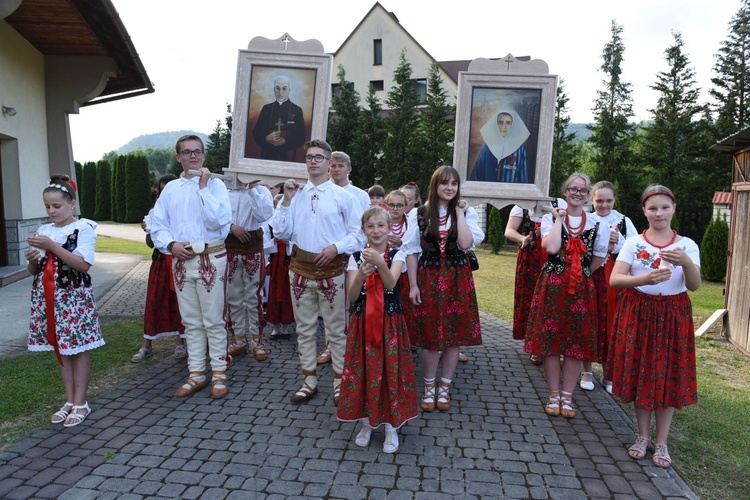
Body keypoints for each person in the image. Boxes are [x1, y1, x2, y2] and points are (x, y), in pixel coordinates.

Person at [609, 184, 700, 469]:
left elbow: (695, 285)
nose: (658, 213)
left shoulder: (687, 245)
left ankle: (662, 442)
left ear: (673, 209)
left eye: (664, 207)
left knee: (668, 375)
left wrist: (686, 262)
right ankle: (643, 436)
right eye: (652, 208)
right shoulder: (634, 242)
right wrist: (644, 279)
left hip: (673, 316)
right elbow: (615, 279)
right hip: (639, 313)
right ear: (644, 211)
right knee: (642, 373)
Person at [270, 139, 364, 405]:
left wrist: (336, 247)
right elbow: (280, 232)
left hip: (332, 270)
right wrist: (285, 201)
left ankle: (339, 382)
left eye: (319, 157)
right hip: (299, 268)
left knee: (335, 330)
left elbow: (358, 234)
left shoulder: (344, 196)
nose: (313, 161)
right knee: (305, 329)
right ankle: (309, 380)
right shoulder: (295, 195)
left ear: (329, 163)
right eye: (309, 157)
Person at [151, 134, 233, 399]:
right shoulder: (171, 189)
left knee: (213, 320)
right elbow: (158, 224)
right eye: (187, 152)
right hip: (180, 259)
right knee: (190, 321)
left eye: (198, 151)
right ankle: (196, 372)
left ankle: (219, 372)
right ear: (178, 157)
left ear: (204, 156)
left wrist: (203, 187)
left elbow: (217, 222)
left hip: (212, 256)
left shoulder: (217, 187)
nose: (193, 156)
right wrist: (170, 243)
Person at [524, 173, 609, 418]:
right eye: (573, 189)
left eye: (583, 190)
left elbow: (599, 257)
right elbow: (550, 248)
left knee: (575, 344)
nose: (577, 193)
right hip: (552, 285)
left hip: (581, 288)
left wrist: (580, 273)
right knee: (551, 343)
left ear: (588, 195)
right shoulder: (552, 219)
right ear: (565, 192)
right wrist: (559, 220)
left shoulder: (596, 224)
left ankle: (568, 397)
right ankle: (553, 394)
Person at [337, 206, 418, 453]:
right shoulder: (355, 257)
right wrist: (361, 274)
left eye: (381, 226)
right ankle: (366, 423)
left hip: (389, 324)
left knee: (389, 370)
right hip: (363, 324)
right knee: (363, 370)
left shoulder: (398, 254)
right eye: (370, 226)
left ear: (389, 228)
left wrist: (380, 264)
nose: (376, 231)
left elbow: (391, 283)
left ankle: (392, 427)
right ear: (363, 230)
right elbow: (351, 296)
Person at [404, 166, 484, 412]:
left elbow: (465, 243)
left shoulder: (467, 213)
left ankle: (444, 389)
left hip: (457, 281)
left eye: (454, 184)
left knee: (453, 337)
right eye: (444, 183)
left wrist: (459, 213)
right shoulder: (419, 214)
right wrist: (414, 285)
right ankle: (429, 388)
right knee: (430, 339)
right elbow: (411, 252)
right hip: (428, 279)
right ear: (435, 185)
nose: (449, 188)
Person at [26, 175, 104, 427]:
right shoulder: (44, 231)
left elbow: (83, 265)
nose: (51, 211)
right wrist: (32, 260)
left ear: (72, 203)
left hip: (72, 299)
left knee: (78, 348)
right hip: (48, 298)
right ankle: (69, 400)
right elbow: (34, 270)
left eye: (56, 206)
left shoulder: (83, 229)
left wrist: (52, 246)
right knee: (60, 347)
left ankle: (81, 402)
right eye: (47, 206)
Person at [580, 181, 638, 392]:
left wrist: (617, 241)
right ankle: (586, 369)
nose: (604, 205)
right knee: (589, 319)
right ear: (591, 200)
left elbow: (635, 249)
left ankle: (609, 371)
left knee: (612, 322)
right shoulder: (585, 219)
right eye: (599, 200)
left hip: (614, 277)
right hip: (591, 275)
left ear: (614, 200)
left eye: (608, 201)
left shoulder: (622, 221)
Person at [317, 151, 371, 365]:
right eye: (334, 165)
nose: (337, 169)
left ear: (349, 169)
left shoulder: (359, 195)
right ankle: (331, 345)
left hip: (351, 255)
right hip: (328, 255)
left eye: (341, 166)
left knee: (351, 302)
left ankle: (352, 345)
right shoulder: (321, 192)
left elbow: (363, 227)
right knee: (331, 303)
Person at [132, 174, 186, 363]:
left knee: (180, 303)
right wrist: (147, 231)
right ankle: (147, 345)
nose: (165, 193)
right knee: (154, 302)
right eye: (162, 190)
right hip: (160, 261)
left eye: (168, 189)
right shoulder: (154, 211)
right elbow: (150, 244)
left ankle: (181, 341)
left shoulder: (183, 210)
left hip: (180, 260)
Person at [224, 180, 275, 361]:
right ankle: (238, 339)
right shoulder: (223, 189)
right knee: (233, 296)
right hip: (229, 245)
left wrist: (253, 188)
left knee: (254, 297)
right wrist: (231, 227)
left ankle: (256, 340)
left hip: (253, 245)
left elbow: (265, 215)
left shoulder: (261, 190)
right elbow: (213, 216)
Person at [504, 203, 546, 364]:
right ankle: (535, 346)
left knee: (551, 301)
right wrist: (524, 239)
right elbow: (509, 231)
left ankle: (550, 347)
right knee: (530, 299)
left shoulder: (558, 205)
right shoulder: (521, 207)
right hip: (530, 258)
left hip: (552, 256)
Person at [250, 75, 306, 161]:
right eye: (277, 88)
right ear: (273, 89)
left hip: (288, 156)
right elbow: (257, 132)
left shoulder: (297, 110)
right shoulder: (266, 108)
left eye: (284, 88)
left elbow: (301, 137)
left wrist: (285, 141)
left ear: (289, 90)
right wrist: (266, 138)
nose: (280, 92)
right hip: (267, 155)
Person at [470, 110, 530, 183]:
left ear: (513, 125)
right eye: (500, 123)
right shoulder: (488, 146)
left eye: (508, 123)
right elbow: (477, 174)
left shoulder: (520, 149)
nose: (504, 127)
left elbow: (523, 178)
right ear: (496, 124)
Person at [265, 193, 295, 340]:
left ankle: (285, 327)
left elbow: (298, 241)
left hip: (288, 262)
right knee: (274, 293)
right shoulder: (270, 225)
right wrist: (274, 242)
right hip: (276, 263)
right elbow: (264, 246)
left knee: (288, 293)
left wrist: (288, 244)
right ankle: (275, 327)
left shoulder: (293, 222)